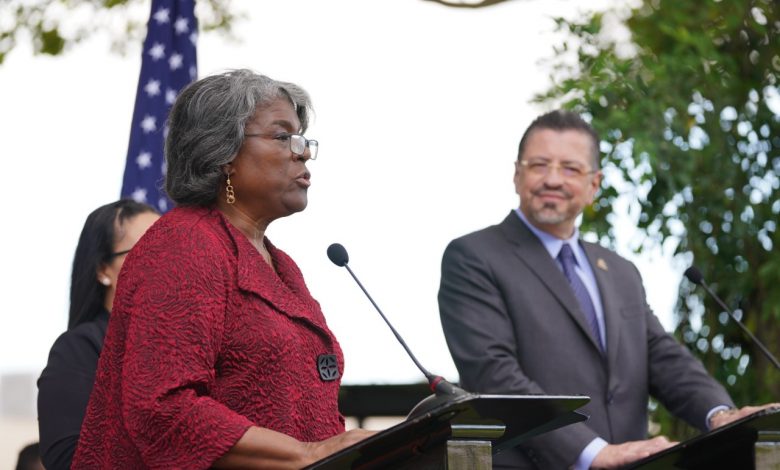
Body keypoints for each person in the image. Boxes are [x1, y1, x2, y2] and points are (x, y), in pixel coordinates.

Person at [438, 110, 777, 469]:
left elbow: (661, 356)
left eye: (570, 168)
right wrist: (594, 452)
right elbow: (494, 376)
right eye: (539, 165)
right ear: (516, 175)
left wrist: (720, 414)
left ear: (593, 185)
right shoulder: (475, 257)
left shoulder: (619, 270)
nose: (553, 179)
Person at [72, 69, 373, 469]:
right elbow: (163, 407)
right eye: (282, 136)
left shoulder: (281, 265)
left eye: (302, 138)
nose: (301, 151)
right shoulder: (183, 245)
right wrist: (308, 454)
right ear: (224, 153)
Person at [37, 199, 160, 470]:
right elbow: (68, 457)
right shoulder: (80, 348)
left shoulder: (195, 343)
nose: (166, 262)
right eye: (148, 250)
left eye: (172, 249)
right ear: (104, 270)